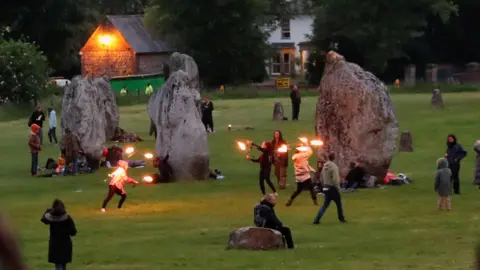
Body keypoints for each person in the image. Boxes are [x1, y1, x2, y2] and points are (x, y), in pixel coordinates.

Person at [41, 199, 77, 270]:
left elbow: (44, 219)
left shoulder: (51, 218)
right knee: (63, 265)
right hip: (66, 244)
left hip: (55, 245)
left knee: (58, 265)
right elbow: (73, 232)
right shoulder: (67, 219)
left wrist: (49, 211)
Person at [313, 153, 347, 224]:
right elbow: (335, 179)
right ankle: (341, 218)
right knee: (339, 205)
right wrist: (338, 188)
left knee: (325, 205)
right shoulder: (334, 167)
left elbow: (321, 178)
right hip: (333, 188)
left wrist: (324, 185)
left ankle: (317, 219)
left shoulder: (324, 167)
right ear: (334, 158)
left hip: (326, 187)